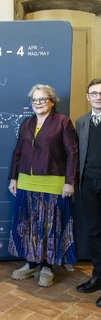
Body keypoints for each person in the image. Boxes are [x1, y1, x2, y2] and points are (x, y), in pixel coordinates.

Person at [8, 84, 78, 287]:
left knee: (49, 226)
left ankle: (47, 267)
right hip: (27, 182)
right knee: (29, 224)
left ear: (52, 101)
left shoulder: (63, 122)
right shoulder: (26, 123)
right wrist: (14, 178)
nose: (38, 103)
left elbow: (72, 154)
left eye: (42, 99)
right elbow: (17, 152)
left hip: (53, 183)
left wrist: (69, 182)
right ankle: (31, 263)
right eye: (34, 100)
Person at [75, 78, 101, 307]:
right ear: (88, 97)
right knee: (94, 233)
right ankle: (98, 276)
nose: (98, 97)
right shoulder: (81, 121)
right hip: (89, 184)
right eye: (94, 93)